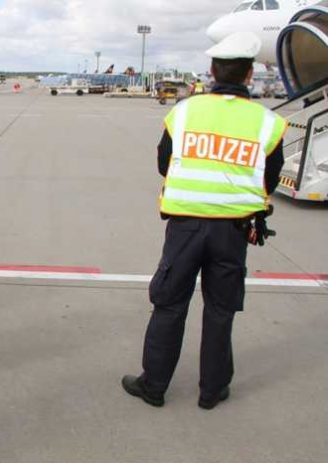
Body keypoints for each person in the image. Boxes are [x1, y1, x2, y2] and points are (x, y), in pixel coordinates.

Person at [122, 32, 287, 410]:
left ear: (212, 71)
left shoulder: (184, 112)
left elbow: (164, 162)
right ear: (249, 75)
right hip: (233, 231)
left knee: (169, 304)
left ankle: (155, 385)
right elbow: (271, 180)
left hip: (185, 228)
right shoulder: (268, 122)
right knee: (221, 309)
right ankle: (212, 390)